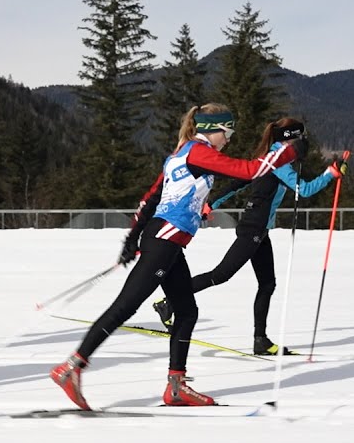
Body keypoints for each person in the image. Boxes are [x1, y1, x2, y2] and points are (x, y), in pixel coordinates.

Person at [49, 104, 305, 410]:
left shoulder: (181, 152)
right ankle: (71, 367)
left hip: (167, 239)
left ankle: (176, 387)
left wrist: (133, 237)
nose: (230, 139)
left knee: (186, 312)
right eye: (229, 132)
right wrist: (288, 153)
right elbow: (248, 171)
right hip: (165, 240)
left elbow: (151, 197)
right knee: (126, 306)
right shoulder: (199, 152)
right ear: (215, 129)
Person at [151, 117, 347, 355]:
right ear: (289, 139)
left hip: (259, 231)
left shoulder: (269, 158)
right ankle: (169, 302)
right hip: (253, 229)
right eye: (299, 139)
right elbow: (303, 190)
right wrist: (330, 173)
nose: (301, 144)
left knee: (267, 283)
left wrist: (212, 203)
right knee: (220, 275)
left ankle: (260, 340)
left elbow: (238, 183)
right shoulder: (278, 163)